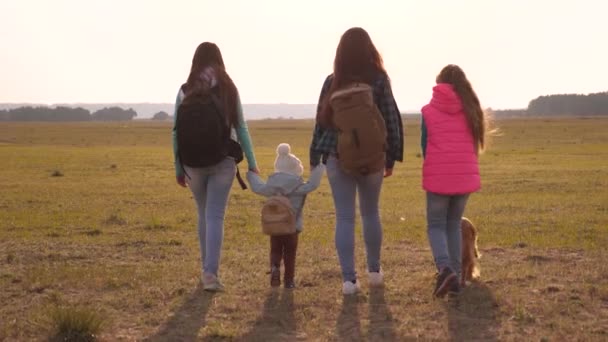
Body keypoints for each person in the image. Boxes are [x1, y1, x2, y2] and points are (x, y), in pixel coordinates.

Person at [309, 27, 404, 295]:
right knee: (371, 212)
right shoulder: (380, 79)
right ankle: (374, 272)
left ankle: (349, 280)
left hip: (337, 155)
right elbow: (390, 117)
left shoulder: (332, 81)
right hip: (374, 155)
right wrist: (392, 156)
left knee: (345, 217)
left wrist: (315, 155)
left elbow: (320, 122)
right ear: (370, 50)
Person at [172, 42, 259, 291]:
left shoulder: (184, 90)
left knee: (203, 214)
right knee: (215, 215)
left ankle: (205, 270)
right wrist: (252, 164)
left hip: (192, 164)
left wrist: (178, 167)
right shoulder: (228, 89)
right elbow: (240, 127)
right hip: (222, 160)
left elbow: (176, 131)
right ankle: (211, 274)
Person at [420, 64, 489, 298]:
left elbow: (424, 145)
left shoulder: (428, 111)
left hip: (438, 176)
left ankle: (444, 269)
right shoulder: (471, 110)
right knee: (452, 224)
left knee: (435, 225)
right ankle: (457, 279)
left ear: (439, 84)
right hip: (464, 178)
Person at [247, 143, 325, 288]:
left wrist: (251, 174)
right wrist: (320, 167)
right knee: (290, 253)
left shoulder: (271, 186)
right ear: (296, 169)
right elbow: (313, 184)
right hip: (292, 227)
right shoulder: (299, 186)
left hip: (274, 224)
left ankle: (275, 268)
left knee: (275, 249)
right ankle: (289, 281)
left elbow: (257, 186)